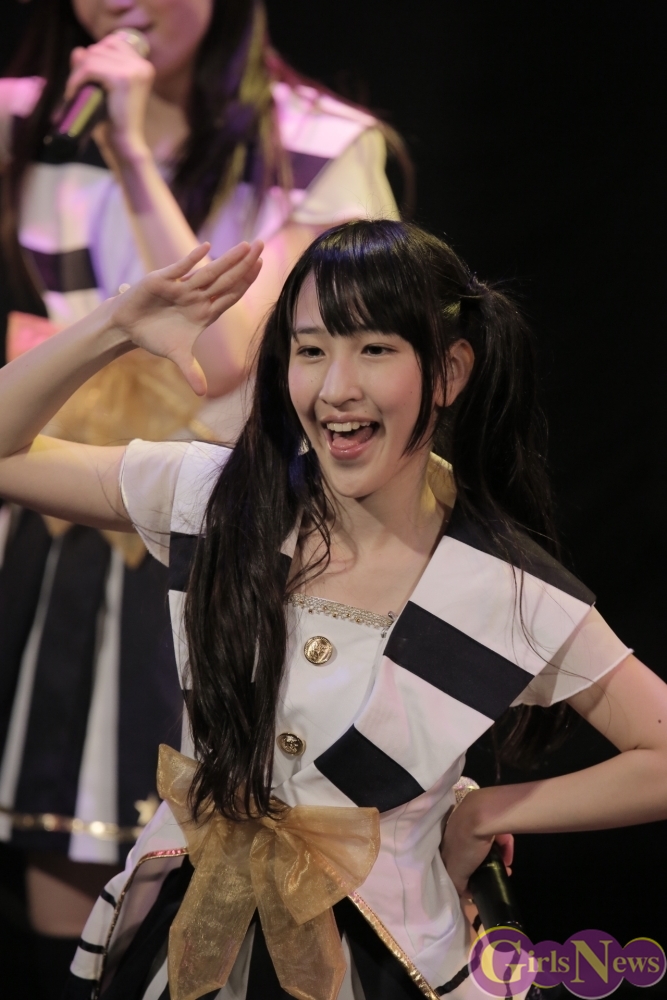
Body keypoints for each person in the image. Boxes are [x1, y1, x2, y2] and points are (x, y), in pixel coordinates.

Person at [1, 220, 666, 1000]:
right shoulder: (217, 501)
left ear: (449, 372)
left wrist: (486, 813)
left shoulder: (503, 586)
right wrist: (115, 327)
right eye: (310, 350)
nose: (335, 388)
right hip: (191, 938)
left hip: (391, 959)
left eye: (374, 349)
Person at [0, 0, 400, 978]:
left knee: (229, 869)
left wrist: (131, 153)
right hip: (64, 516)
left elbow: (225, 358)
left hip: (231, 529)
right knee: (69, 870)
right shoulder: (23, 118)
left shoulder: (322, 144)